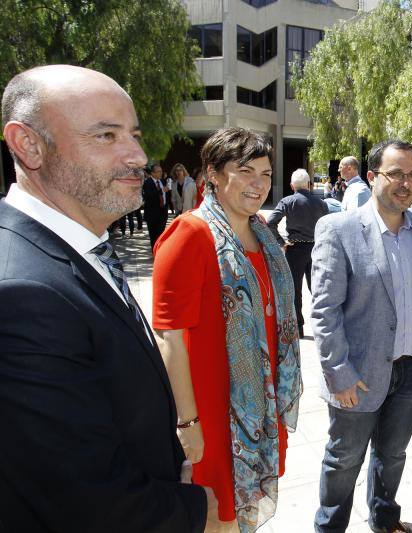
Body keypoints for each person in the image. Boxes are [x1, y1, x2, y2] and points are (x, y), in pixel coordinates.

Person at [0, 64, 214, 531]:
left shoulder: (78, 244)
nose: (138, 155)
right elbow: (83, 496)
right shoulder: (20, 292)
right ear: (28, 144)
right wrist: (202, 516)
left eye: (134, 135)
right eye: (107, 136)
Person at [152, 127, 302, 532]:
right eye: (245, 171)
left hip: (258, 405)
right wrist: (188, 424)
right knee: (215, 518)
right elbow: (170, 340)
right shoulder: (189, 235)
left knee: (238, 518)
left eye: (266, 173)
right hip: (213, 413)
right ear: (213, 175)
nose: (259, 184)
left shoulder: (263, 235)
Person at [310, 139, 412, 533]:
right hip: (358, 373)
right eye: (396, 173)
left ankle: (384, 518)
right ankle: (329, 527)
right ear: (371, 177)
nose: (406, 183)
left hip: (411, 369)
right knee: (343, 459)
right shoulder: (339, 229)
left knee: (393, 454)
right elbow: (324, 310)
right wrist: (339, 373)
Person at [266, 168, 329, 338]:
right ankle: (323, 326)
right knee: (318, 290)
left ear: (292, 185)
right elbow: (328, 227)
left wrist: (282, 242)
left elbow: (270, 223)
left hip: (294, 249)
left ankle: (298, 328)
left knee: (295, 290)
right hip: (316, 249)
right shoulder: (321, 203)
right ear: (309, 184)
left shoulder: (288, 201)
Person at [143, 162, 169, 249]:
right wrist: (161, 190)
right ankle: (155, 252)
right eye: (158, 172)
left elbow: (166, 196)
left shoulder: (162, 181)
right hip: (152, 214)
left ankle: (160, 251)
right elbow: (148, 195)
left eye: (161, 171)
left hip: (163, 213)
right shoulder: (147, 182)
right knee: (154, 236)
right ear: (152, 173)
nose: (161, 173)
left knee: (161, 234)